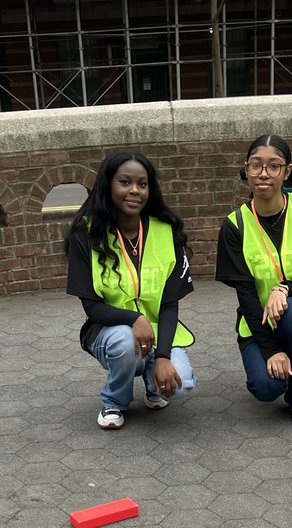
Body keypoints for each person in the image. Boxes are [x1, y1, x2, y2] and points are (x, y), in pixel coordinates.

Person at [216, 133, 292, 425]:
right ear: (246, 170)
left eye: (274, 166)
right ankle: (283, 362)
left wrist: (285, 289)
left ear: (287, 171)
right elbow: (245, 295)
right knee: (266, 388)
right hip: (259, 321)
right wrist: (271, 350)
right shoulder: (234, 225)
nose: (264, 174)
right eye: (256, 165)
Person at [65, 150, 197, 429]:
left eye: (143, 184)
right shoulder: (86, 233)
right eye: (125, 182)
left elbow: (170, 303)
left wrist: (162, 357)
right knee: (125, 343)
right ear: (108, 185)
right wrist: (133, 319)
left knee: (181, 385)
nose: (135, 190)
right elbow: (92, 307)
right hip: (109, 332)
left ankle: (153, 382)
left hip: (158, 330)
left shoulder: (166, 230)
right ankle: (115, 400)